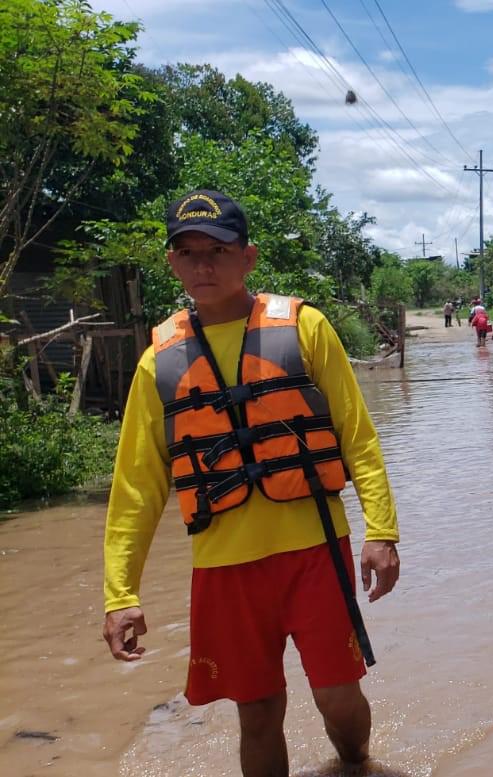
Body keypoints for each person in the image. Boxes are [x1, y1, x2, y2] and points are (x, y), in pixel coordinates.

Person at [102, 190, 401, 777]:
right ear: (172, 264)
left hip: (315, 549)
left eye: (216, 250)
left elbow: (357, 436)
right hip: (225, 567)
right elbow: (136, 487)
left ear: (248, 257)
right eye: (186, 252)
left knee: (337, 696)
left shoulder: (305, 328)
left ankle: (357, 765)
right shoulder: (158, 362)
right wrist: (121, 594)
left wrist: (381, 529)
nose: (202, 265)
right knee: (257, 712)